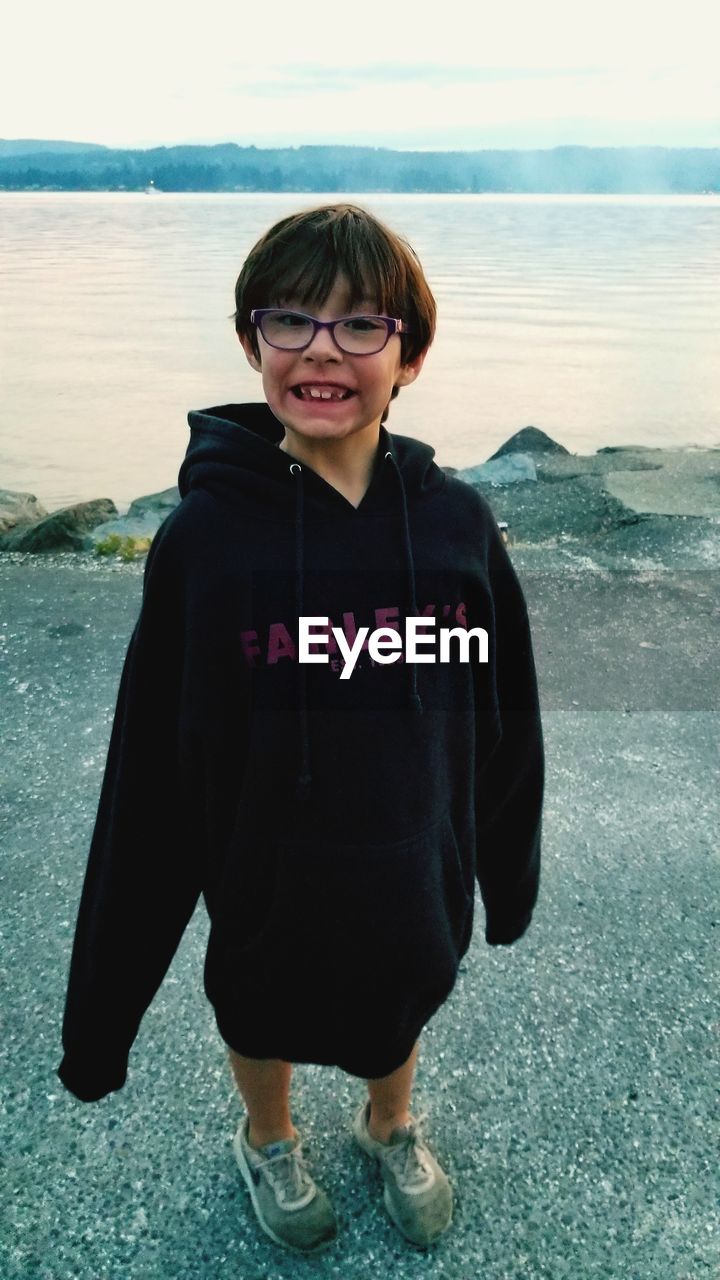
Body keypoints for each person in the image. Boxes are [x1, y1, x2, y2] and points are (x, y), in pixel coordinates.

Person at [57, 203, 545, 1256]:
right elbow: (148, 775)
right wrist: (101, 1018)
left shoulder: (455, 527)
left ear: (408, 355)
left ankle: (391, 1122)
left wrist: (504, 875)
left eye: (362, 326)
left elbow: (502, 718)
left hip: (412, 868)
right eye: (293, 322)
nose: (324, 349)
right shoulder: (206, 544)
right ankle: (269, 1137)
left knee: (401, 993)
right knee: (260, 1008)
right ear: (251, 342)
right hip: (263, 874)